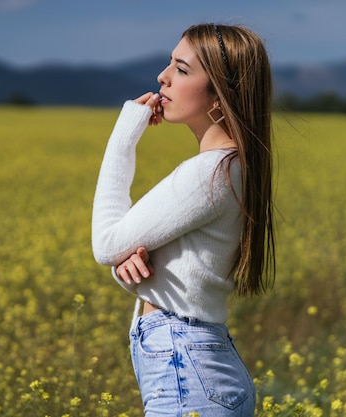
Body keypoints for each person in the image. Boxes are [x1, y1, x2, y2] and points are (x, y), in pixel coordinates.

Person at [91, 23, 275, 416]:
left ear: (220, 97)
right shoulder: (234, 167)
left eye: (182, 69)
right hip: (203, 369)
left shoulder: (211, 172)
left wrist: (123, 137)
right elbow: (131, 255)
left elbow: (106, 244)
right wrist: (127, 265)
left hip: (189, 376)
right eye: (169, 64)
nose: (163, 77)